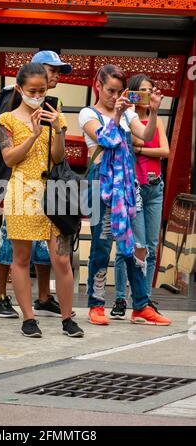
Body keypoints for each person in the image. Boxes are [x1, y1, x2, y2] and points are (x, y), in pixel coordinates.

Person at [78, 64, 171, 326]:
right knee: (102, 245)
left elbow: (148, 135)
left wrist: (152, 110)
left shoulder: (129, 112)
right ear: (98, 86)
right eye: (110, 90)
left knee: (133, 246)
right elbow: (106, 140)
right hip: (102, 185)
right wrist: (117, 115)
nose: (114, 96)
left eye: (119, 91)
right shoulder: (88, 113)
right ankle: (96, 304)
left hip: (128, 185)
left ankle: (141, 305)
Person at [0, 62, 84, 338]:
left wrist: (57, 129)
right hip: (22, 191)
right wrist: (34, 134)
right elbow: (9, 158)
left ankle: (68, 318)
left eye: (42, 90)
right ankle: (29, 318)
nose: (38, 96)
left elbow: (58, 157)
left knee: (61, 259)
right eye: (32, 90)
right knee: (21, 258)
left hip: (55, 192)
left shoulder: (54, 115)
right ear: (20, 89)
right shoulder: (6, 120)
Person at [111, 74, 169, 319]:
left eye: (150, 90)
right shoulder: (127, 119)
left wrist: (141, 149)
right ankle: (121, 299)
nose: (146, 94)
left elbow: (165, 150)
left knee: (152, 248)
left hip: (155, 186)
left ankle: (142, 300)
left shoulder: (157, 121)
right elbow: (135, 136)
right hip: (133, 186)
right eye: (141, 91)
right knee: (133, 246)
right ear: (132, 93)